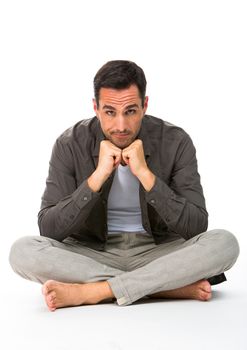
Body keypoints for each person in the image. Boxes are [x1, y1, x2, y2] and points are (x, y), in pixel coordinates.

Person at [9, 60, 239, 312]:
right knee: (22, 251)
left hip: (158, 249)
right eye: (110, 112)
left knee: (225, 243)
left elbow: (196, 227)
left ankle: (96, 291)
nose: (120, 126)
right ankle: (164, 287)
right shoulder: (69, 143)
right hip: (92, 251)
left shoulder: (176, 141)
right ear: (95, 107)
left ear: (145, 105)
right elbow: (49, 229)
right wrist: (97, 177)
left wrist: (145, 174)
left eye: (130, 111)